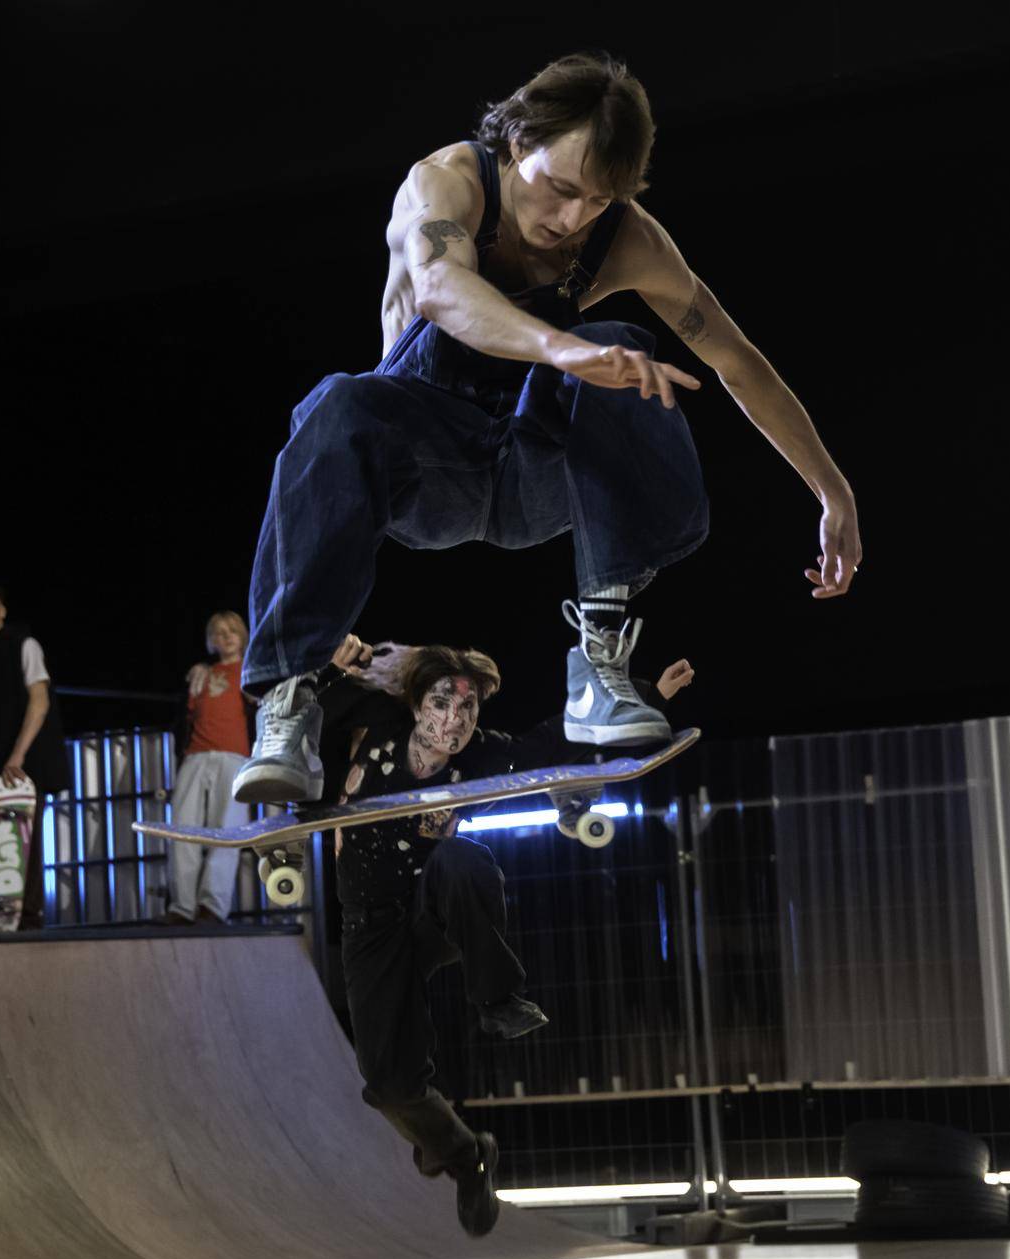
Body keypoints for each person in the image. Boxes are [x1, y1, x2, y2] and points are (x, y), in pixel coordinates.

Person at [231, 52, 860, 805]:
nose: (570, 221)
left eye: (596, 202)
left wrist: (833, 489)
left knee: (629, 351)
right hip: (424, 472)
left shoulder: (628, 240)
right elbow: (440, 288)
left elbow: (737, 361)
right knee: (334, 403)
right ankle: (289, 702)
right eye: (561, 190)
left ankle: (599, 657)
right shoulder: (446, 184)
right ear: (516, 142)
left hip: (531, 476)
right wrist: (567, 348)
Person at [313, 632, 693, 1237]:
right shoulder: (379, 719)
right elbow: (314, 717)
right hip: (370, 927)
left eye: (468, 710)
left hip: (432, 911)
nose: (455, 721)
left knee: (464, 858)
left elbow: (551, 744)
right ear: (416, 706)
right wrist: (332, 673)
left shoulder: (482, 757)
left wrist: (646, 695)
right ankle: (466, 1155)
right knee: (390, 1085)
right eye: (442, 703)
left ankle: (497, 999)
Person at [0, 582, 67, 930]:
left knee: (26, 835)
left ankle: (30, 915)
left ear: (2, 611)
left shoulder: (24, 644)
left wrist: (18, 755)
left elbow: (40, 700)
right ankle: (1, 911)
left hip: (25, 757)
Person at [165, 611, 256, 926]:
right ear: (211, 640)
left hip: (235, 756)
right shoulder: (201, 673)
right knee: (182, 828)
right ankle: (182, 905)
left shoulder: (252, 669)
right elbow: (185, 717)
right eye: (218, 632)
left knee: (226, 829)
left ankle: (212, 906)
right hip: (196, 755)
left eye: (231, 630)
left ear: (242, 634)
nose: (226, 636)